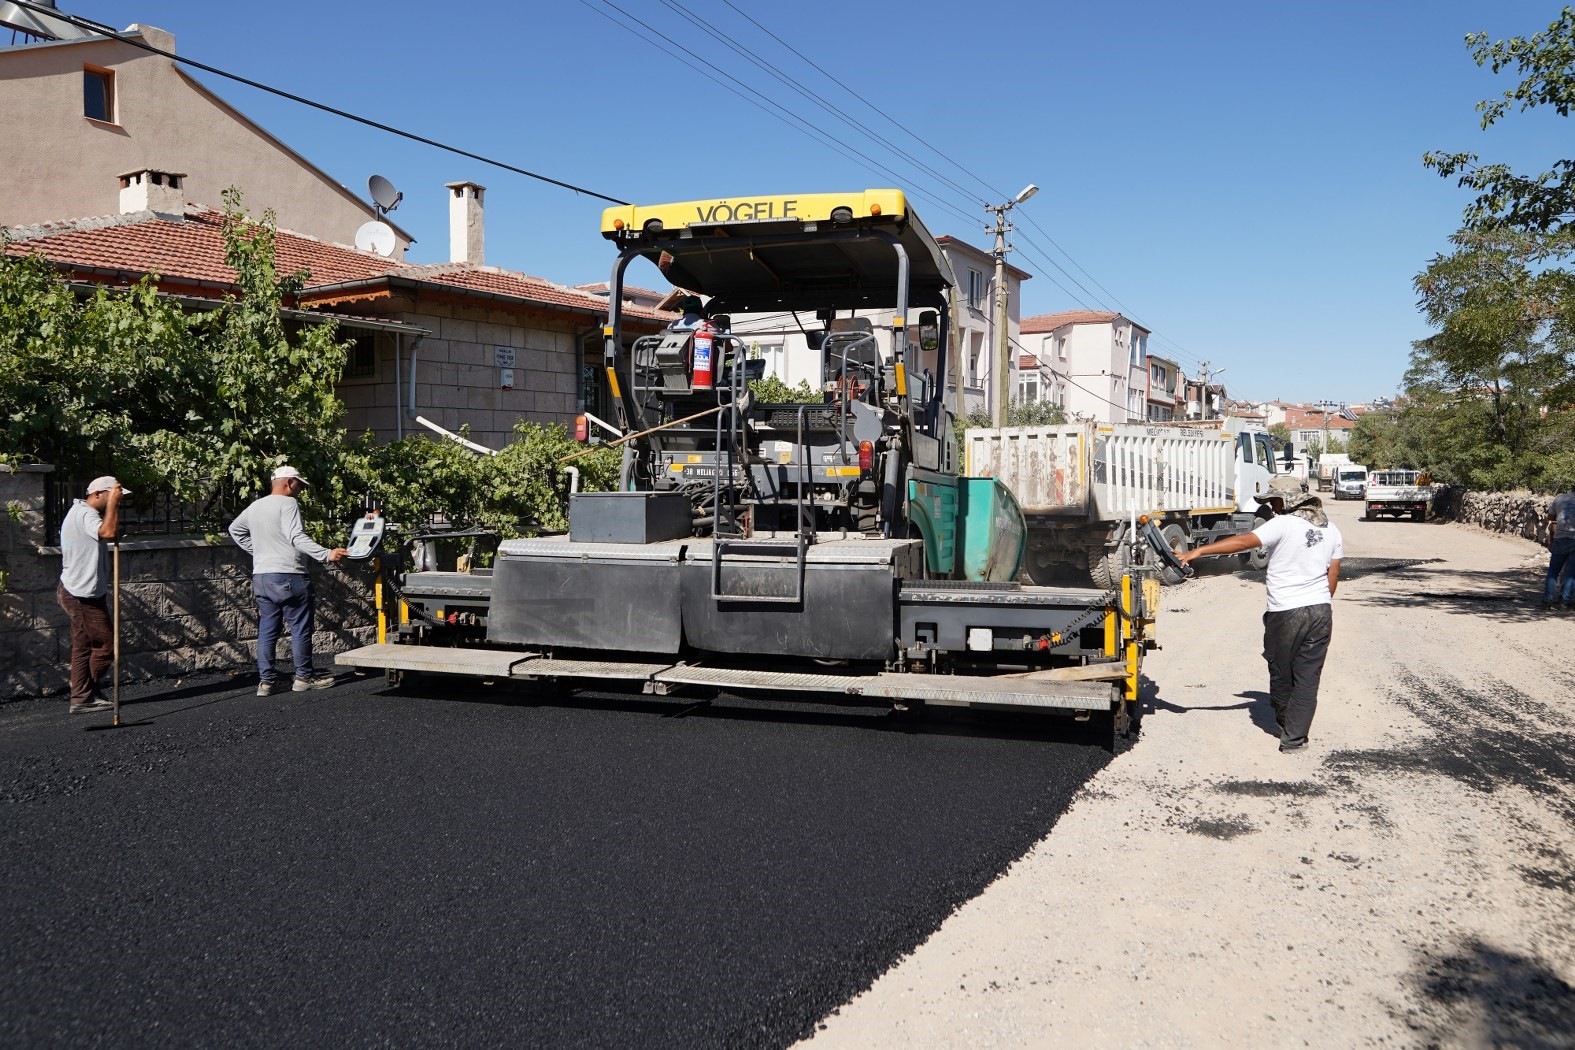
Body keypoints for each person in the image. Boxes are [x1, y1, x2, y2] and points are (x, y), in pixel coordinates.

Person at [1177, 477, 1344, 754]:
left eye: (1274, 501)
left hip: (1286, 613)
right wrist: (1319, 605)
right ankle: (1294, 739)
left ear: (1286, 501)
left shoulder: (1282, 523)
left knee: (1280, 672)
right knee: (1307, 677)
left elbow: (1243, 541)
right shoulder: (1332, 530)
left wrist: (1198, 551)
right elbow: (1333, 576)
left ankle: (1284, 723)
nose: (1273, 507)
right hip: (1321, 611)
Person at [228, 465, 348, 696]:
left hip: (262, 576)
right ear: (289, 482)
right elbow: (296, 536)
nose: (301, 489)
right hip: (289, 575)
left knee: (267, 630)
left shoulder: (255, 506)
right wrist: (326, 553)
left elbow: (235, 529)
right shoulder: (288, 504)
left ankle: (267, 682)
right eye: (300, 485)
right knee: (300, 628)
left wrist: (258, 551)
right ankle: (303, 677)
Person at [56, 476, 131, 713]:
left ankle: (83, 694)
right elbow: (107, 532)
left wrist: (113, 510)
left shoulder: (80, 512)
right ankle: (83, 695)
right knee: (106, 645)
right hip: (81, 594)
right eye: (113, 495)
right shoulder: (86, 514)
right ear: (99, 493)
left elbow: (106, 531)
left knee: (83, 646)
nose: (117, 500)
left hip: (77, 590)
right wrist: (113, 506)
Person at [1544, 482, 1575, 610]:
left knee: (1553, 571)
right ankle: (1565, 601)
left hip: (1560, 538)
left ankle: (1547, 600)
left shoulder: (1560, 499)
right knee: (1571, 573)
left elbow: (1551, 517)